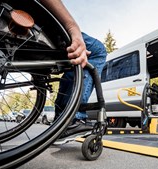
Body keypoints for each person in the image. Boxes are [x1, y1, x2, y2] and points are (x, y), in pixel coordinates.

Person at [40, 0, 107, 138]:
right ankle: (73, 118)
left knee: (73, 63)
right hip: (40, 27)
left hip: (12, 25)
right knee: (97, 51)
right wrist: (73, 29)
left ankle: (61, 119)